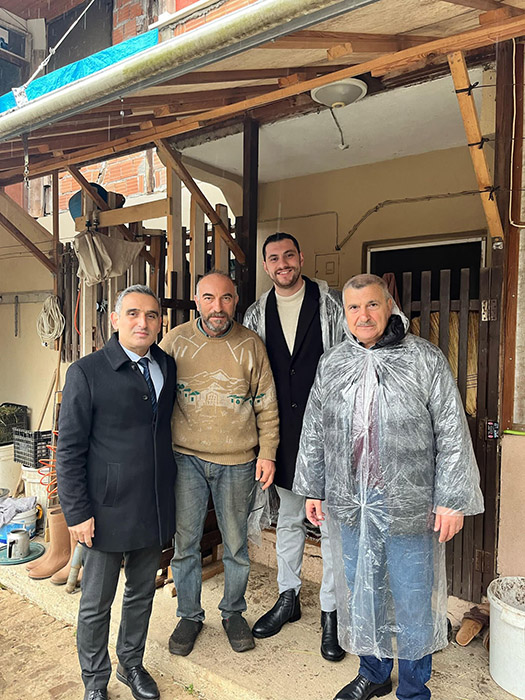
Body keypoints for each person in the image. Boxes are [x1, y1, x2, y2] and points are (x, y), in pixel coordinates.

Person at [293, 274, 484, 700]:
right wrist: (314, 488)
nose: (363, 315)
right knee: (364, 592)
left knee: (412, 596)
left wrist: (451, 500)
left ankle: (413, 687)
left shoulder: (423, 359)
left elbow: (451, 430)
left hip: (408, 502)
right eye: (354, 307)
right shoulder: (333, 362)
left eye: (372, 305)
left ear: (389, 306)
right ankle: (374, 672)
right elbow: (315, 428)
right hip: (351, 503)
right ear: (345, 314)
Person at [56, 285, 176, 700]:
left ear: (160, 322)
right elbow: (69, 449)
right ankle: (95, 682)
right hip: (105, 510)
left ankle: (131, 663)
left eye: (151, 315)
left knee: (141, 593)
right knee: (96, 603)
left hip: (153, 504)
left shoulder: (165, 365)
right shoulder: (86, 372)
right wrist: (76, 512)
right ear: (115, 320)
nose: (143, 323)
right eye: (133, 314)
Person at [160, 270, 279, 656]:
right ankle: (189, 615)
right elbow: (153, 394)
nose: (218, 307)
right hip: (186, 459)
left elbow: (266, 405)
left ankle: (233, 613)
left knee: (236, 544)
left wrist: (268, 453)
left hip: (238, 461)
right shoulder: (175, 341)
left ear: (236, 301)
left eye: (225, 298)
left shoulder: (251, 344)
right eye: (209, 298)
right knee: (185, 543)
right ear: (197, 301)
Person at [243, 232, 345, 661]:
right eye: (274, 258)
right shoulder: (256, 313)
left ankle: (331, 612)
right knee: (288, 518)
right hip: (282, 435)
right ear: (266, 266)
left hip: (331, 433)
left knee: (333, 526)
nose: (282, 263)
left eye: (289, 255)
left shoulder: (332, 303)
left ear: (301, 258)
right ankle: (288, 597)